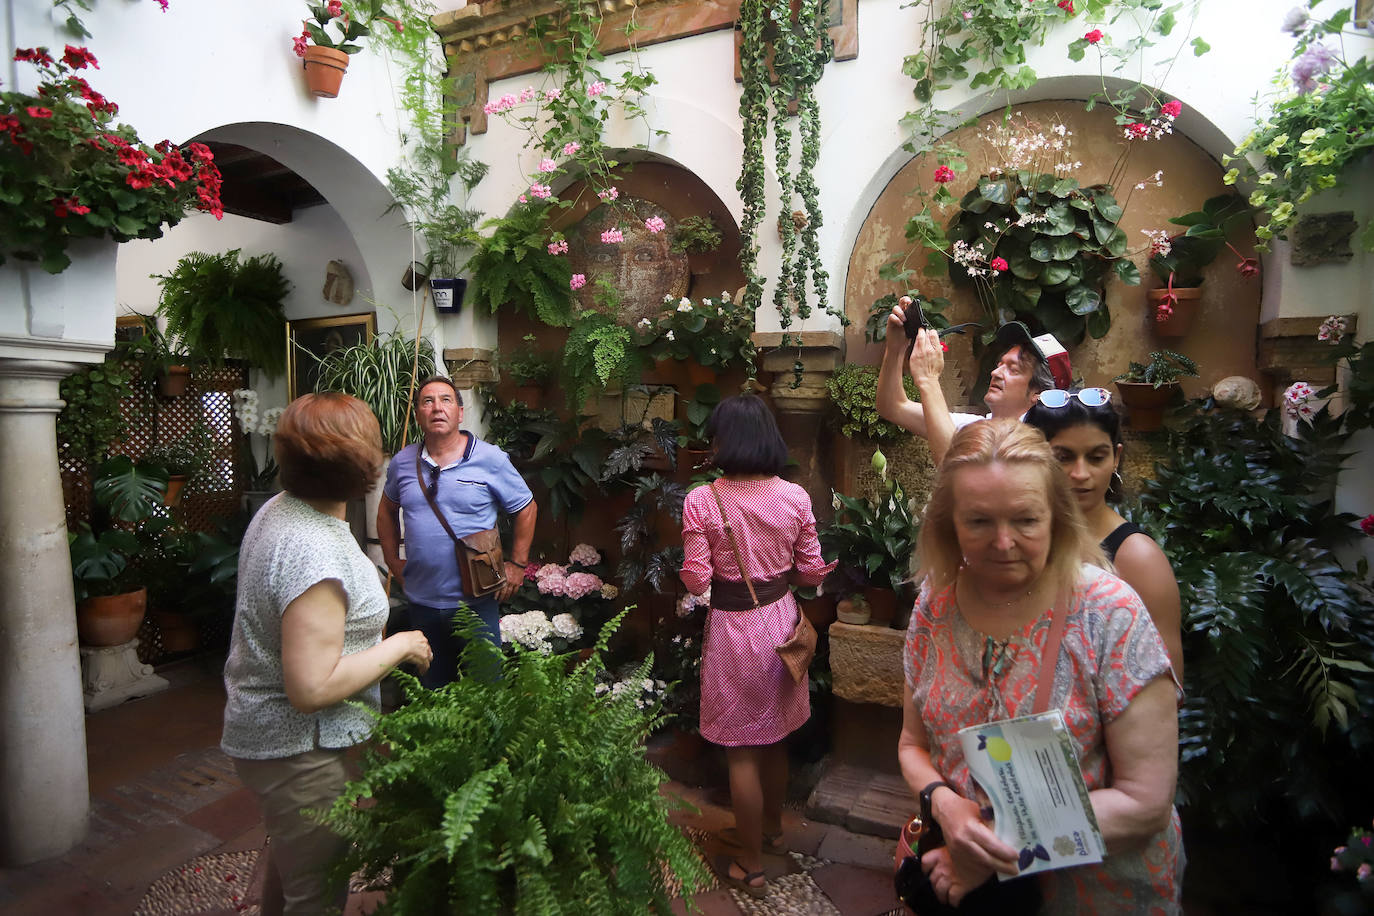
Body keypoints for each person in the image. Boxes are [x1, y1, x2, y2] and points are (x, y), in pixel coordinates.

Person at [898, 419, 1183, 913]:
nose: (1003, 543)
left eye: (1026, 520)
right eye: (980, 522)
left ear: (1056, 516)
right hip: (975, 891)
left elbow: (1145, 802)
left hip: (1095, 894)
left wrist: (990, 846)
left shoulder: (1108, 613)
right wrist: (947, 807)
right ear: (949, 522)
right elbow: (911, 745)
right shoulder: (934, 606)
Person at [222, 393, 433, 916]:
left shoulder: (284, 508)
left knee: (296, 870)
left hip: (278, 744)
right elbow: (311, 688)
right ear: (366, 465)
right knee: (316, 895)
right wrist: (399, 645)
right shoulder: (310, 550)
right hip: (298, 751)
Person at [679, 394, 836, 898]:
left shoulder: (704, 500)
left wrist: (692, 567)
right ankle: (770, 829)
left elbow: (697, 578)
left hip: (734, 628)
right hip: (783, 623)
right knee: (777, 735)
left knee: (741, 750)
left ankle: (750, 864)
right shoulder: (795, 497)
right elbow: (811, 572)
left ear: (725, 441)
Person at [377, 375, 536, 688]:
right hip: (421, 603)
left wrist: (517, 565)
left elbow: (526, 507)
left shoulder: (490, 459)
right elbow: (385, 511)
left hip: (475, 602)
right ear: (419, 413)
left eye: (446, 400)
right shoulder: (403, 462)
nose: (437, 407)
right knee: (434, 694)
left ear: (460, 413)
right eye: (428, 401)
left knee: (487, 693)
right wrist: (393, 561)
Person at [1023, 388, 1184, 676]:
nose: (1081, 473)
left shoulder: (1138, 559)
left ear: (1116, 457)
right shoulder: (1012, 542)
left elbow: (1165, 688)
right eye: (1063, 458)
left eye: (1096, 457)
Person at [876, 305, 1069, 466]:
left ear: (1039, 392)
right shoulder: (975, 427)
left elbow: (951, 467)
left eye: (1013, 369)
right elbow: (892, 406)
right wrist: (896, 347)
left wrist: (928, 380)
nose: (995, 373)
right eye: (1000, 364)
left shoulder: (1036, 446)